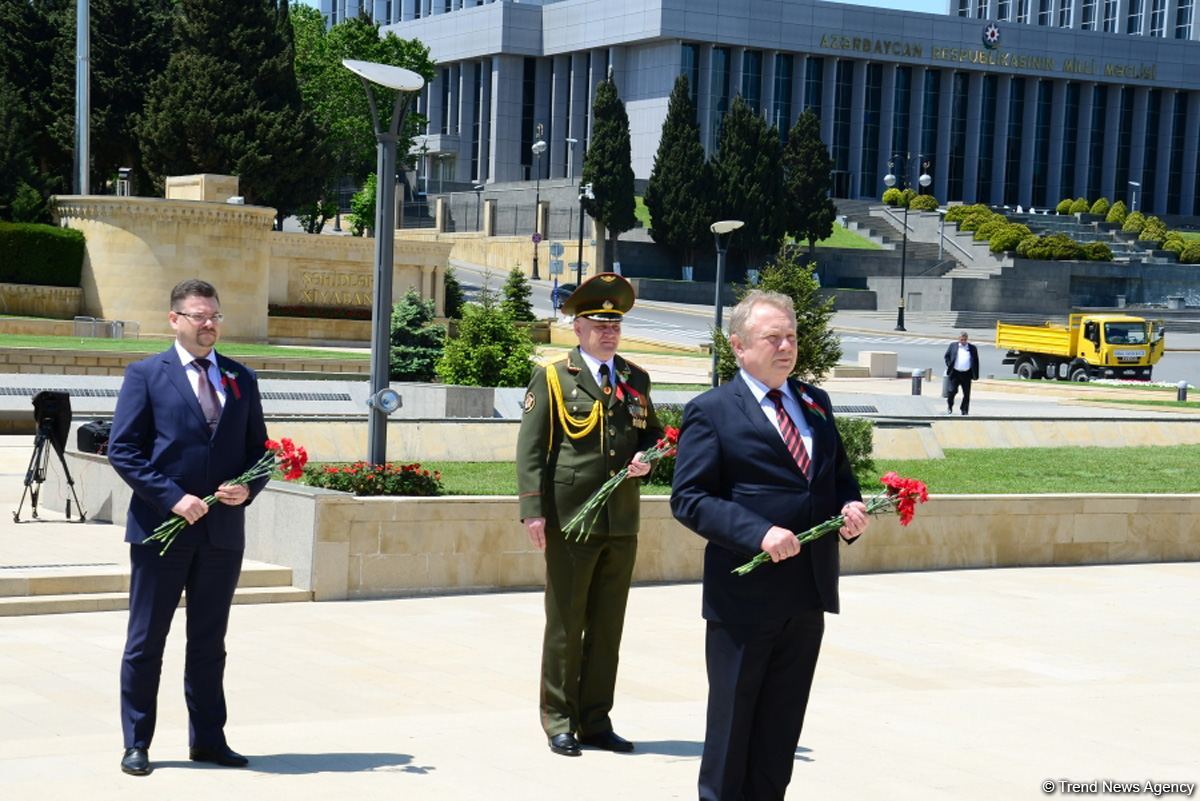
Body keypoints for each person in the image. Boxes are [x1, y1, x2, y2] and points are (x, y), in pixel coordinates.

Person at [670, 290, 869, 801]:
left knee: (781, 728)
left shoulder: (815, 403)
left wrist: (850, 510)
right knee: (733, 725)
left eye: (792, 337)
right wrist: (757, 533)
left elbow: (838, 480)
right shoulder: (711, 411)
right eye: (772, 337)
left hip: (806, 595)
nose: (786, 347)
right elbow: (690, 499)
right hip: (745, 601)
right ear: (738, 346)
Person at [108, 279, 269, 776]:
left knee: (209, 642)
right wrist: (173, 498)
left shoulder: (241, 377)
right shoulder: (145, 375)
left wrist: (248, 488)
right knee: (146, 642)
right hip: (161, 531)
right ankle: (137, 742)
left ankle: (209, 741)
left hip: (222, 536)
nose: (209, 324)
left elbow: (259, 452)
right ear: (174, 320)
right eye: (199, 316)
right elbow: (124, 450)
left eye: (215, 316)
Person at [516, 272, 663, 757]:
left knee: (607, 626)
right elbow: (531, 448)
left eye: (614, 325)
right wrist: (533, 512)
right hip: (571, 518)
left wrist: (649, 458)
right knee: (566, 623)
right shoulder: (555, 376)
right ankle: (559, 720)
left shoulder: (635, 379)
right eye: (599, 325)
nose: (609, 333)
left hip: (621, 521)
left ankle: (596, 720)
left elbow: (653, 435)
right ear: (577, 328)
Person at [943, 331, 980, 416]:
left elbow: (976, 361)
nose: (963, 341)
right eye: (961, 340)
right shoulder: (953, 346)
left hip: (966, 374)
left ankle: (964, 410)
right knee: (952, 391)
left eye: (965, 340)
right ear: (959, 339)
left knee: (966, 394)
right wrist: (949, 365)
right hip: (955, 373)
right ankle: (950, 406)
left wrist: (975, 375)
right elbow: (947, 356)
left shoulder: (972, 348)